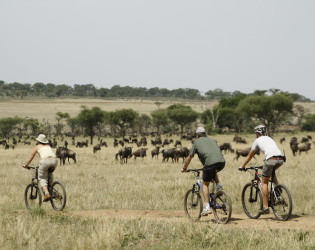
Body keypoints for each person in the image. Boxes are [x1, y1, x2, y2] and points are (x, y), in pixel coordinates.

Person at [239, 125, 285, 214]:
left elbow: (249, 155)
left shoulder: (257, 140)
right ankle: (278, 189)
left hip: (271, 159)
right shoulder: (270, 138)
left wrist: (243, 166)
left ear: (257, 133)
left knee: (264, 182)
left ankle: (266, 207)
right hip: (281, 159)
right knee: (271, 173)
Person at [182, 127, 226, 216]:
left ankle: (207, 207)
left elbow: (190, 157)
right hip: (222, 162)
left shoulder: (196, 142)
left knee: (205, 184)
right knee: (213, 171)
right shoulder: (212, 140)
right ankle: (219, 186)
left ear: (197, 135)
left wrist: (184, 168)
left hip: (209, 164)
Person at [23, 134, 58, 202]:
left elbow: (31, 157)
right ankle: (51, 189)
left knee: (42, 178)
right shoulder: (48, 146)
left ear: (39, 141)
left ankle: (47, 194)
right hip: (54, 161)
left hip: (45, 161)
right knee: (49, 174)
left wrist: (26, 165)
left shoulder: (37, 147)